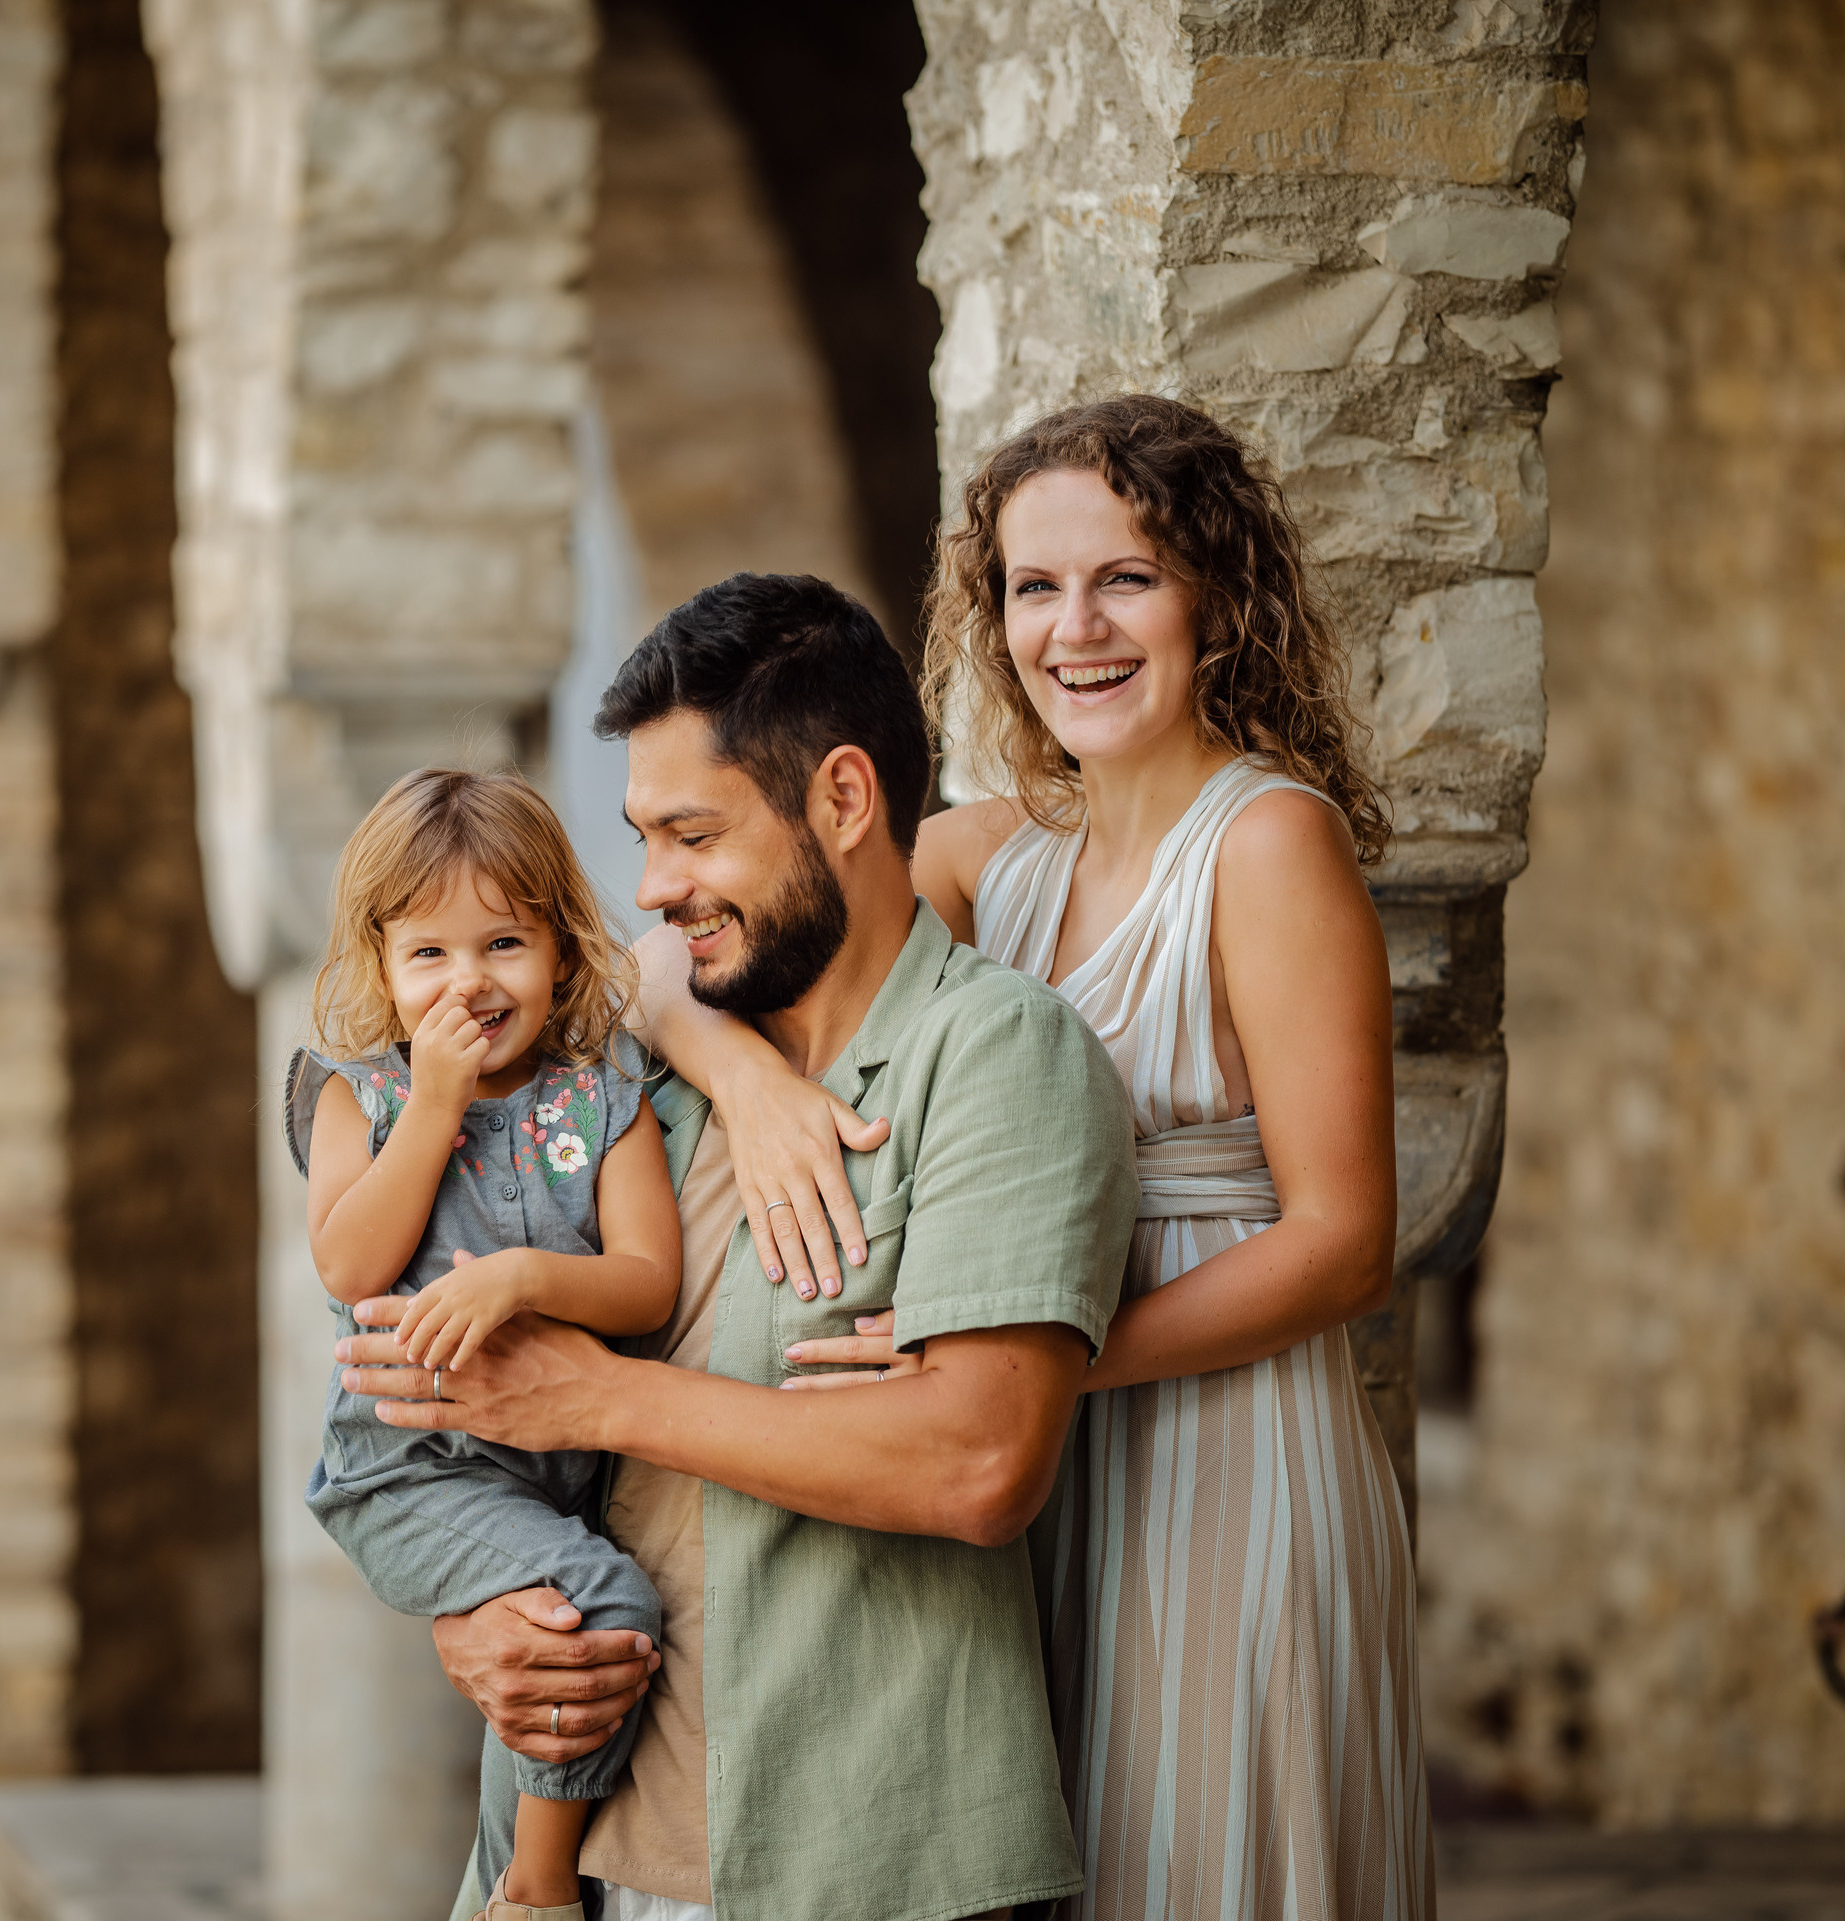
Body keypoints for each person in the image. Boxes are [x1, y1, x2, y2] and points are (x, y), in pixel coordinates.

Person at [691, 396, 1437, 1917]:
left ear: (1216, 598)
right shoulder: (986, 857)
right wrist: (745, 1085)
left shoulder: (1270, 844)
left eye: (1126, 579)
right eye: (1035, 586)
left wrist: (1036, 1364)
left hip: (1227, 1458)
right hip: (1039, 1461)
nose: (1073, 628)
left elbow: (1347, 1237)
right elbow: (689, 933)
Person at [334, 574, 1138, 1921]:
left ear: (841, 798)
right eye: (645, 836)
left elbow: (983, 1459)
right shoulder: (640, 1074)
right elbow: (452, 1410)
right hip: (581, 1862)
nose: (656, 887)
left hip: (864, 1857)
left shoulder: (999, 1053)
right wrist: (475, 1614)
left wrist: (594, 1392)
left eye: (694, 835)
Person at [287, 769, 683, 1921]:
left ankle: (517, 1876)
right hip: (409, 1472)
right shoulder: (356, 1097)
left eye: (503, 941)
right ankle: (537, 1890)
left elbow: (646, 1282)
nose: (469, 982)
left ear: (559, 944)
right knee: (596, 1605)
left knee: (552, 1643)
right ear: (379, 967)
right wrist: (433, 1104)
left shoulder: (603, 1099)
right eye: (429, 955)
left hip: (554, 1471)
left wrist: (522, 1278)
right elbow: (349, 1265)